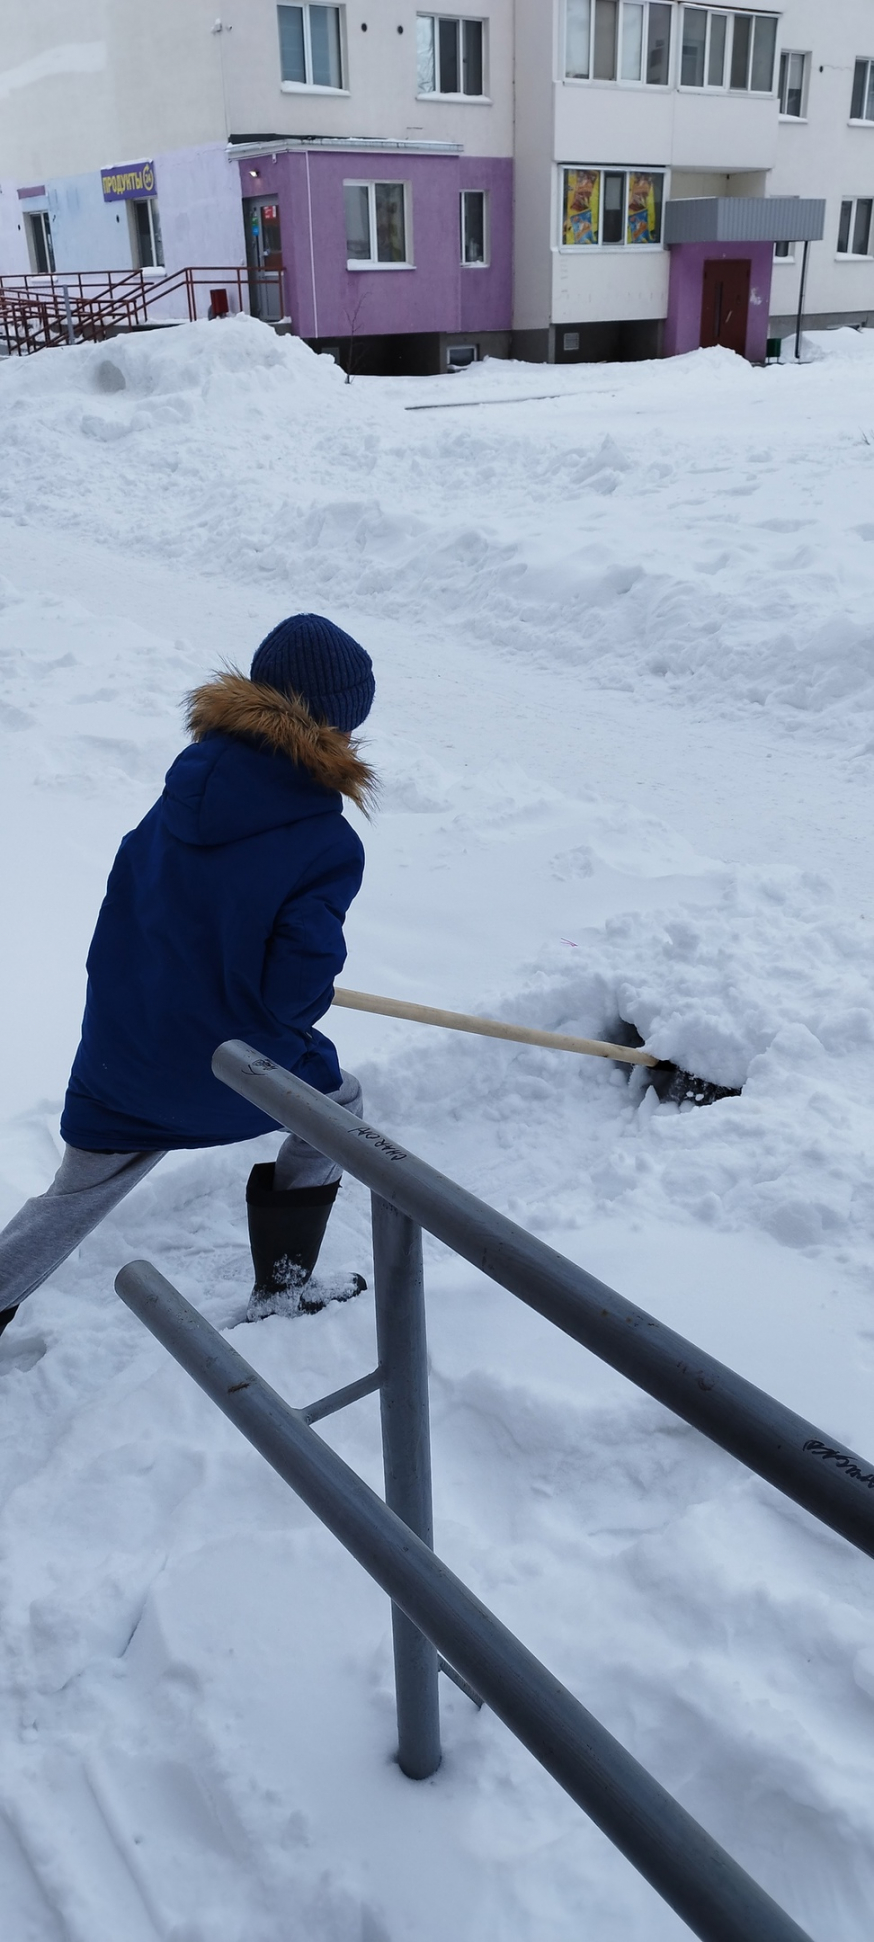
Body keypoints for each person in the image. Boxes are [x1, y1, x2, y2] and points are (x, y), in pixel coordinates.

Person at [0, 612, 376, 1338]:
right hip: (224, 1065)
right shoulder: (324, 840)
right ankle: (285, 1285)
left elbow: (126, 918)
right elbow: (292, 991)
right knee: (339, 1108)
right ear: (336, 725)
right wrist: (308, 997)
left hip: (122, 1050)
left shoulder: (178, 798)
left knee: (76, 1192)